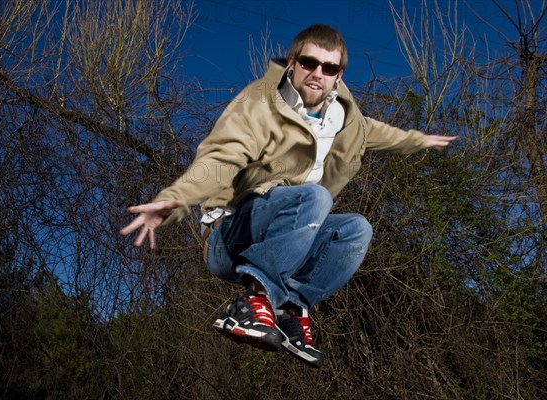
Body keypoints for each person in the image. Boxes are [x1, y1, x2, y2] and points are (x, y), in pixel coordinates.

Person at [120, 24, 456, 368]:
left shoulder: (346, 119)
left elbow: (381, 134)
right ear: (292, 63)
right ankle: (252, 303)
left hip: (285, 239)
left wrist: (419, 140)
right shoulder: (259, 105)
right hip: (228, 237)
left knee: (356, 229)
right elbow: (221, 157)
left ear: (339, 75)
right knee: (315, 198)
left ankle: (290, 310)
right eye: (309, 63)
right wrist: (178, 197)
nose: (317, 74)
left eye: (328, 68)